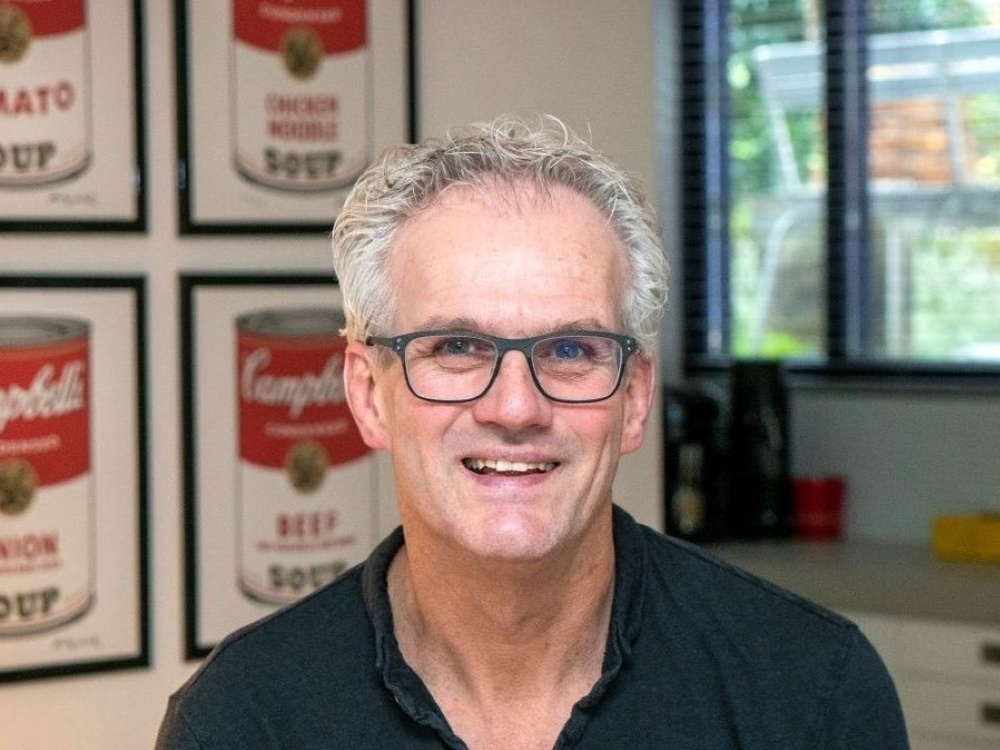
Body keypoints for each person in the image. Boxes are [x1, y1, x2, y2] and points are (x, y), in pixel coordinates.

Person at [157, 116, 909, 749]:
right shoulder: (243, 720)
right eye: (456, 346)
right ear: (368, 395)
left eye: (572, 350)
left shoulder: (812, 694)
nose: (515, 408)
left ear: (636, 396)